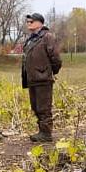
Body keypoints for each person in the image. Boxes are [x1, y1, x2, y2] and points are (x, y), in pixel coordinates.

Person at [21, 12, 62, 143]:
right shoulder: (31, 39)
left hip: (43, 78)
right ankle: (41, 131)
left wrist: (48, 72)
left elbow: (56, 58)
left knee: (44, 107)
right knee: (36, 106)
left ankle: (46, 133)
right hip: (32, 78)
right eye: (27, 22)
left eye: (31, 21)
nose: (28, 23)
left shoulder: (47, 37)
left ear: (40, 23)